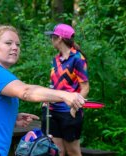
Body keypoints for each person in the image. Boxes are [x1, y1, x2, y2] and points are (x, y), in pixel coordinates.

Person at [0, 25, 86, 156]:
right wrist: (65, 95)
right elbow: (26, 91)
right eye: (8, 43)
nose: (15, 47)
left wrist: (12, 118)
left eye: (17, 45)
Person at [42, 23, 89, 156]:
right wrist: (46, 99)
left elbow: (85, 88)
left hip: (69, 112)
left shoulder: (78, 59)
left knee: (73, 151)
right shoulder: (56, 59)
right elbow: (55, 85)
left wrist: (74, 108)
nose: (51, 39)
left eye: (53, 36)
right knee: (57, 152)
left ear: (60, 38)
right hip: (51, 111)